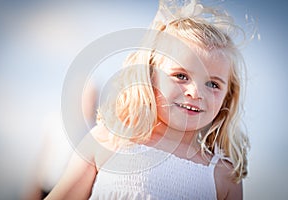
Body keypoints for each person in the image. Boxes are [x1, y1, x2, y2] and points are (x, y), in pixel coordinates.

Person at [46, 0, 250, 199]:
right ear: (150, 76)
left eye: (213, 84)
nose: (196, 93)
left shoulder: (223, 176)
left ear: (227, 97)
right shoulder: (110, 140)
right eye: (181, 76)